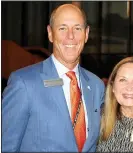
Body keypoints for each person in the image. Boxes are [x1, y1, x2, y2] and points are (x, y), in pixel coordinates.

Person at [2, 4, 105, 152]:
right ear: (50, 33)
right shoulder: (23, 83)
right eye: (62, 28)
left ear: (86, 33)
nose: (71, 36)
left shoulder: (96, 85)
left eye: (77, 28)